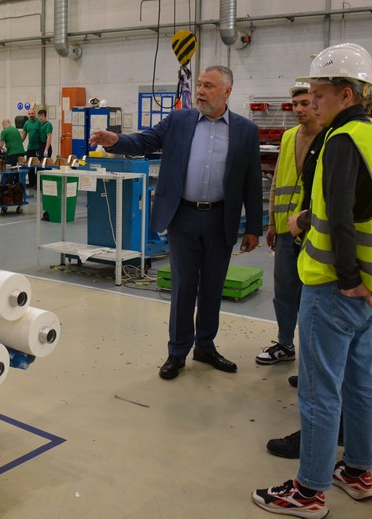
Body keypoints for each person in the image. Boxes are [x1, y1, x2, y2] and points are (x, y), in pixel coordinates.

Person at [253, 43, 372, 518]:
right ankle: (358, 471)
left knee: (319, 392)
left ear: (346, 94)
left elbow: (340, 217)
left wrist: (345, 277)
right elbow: (367, 209)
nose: (312, 103)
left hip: (336, 288)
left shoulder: (341, 140)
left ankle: (309, 491)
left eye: (319, 94)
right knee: (359, 383)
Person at [89, 65, 262, 380]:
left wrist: (252, 228)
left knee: (213, 286)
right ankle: (178, 351)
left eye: (209, 86)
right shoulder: (179, 120)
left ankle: (205, 347)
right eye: (200, 84)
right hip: (183, 216)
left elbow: (252, 181)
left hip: (221, 218)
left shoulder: (245, 130)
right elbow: (144, 141)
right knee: (183, 287)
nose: (200, 91)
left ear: (227, 92)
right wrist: (115, 140)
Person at [256, 81, 322, 366]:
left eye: (305, 103)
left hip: (315, 231)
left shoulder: (329, 136)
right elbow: (276, 185)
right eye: (295, 104)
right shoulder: (288, 137)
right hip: (285, 230)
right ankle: (285, 343)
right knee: (283, 290)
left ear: (317, 104)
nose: (298, 109)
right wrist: (272, 222)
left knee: (312, 293)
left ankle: (313, 351)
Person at [21, 108, 42, 188]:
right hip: (30, 148)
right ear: (28, 115)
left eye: (32, 113)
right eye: (29, 114)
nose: (31, 115)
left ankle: (37, 184)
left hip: (38, 148)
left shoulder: (39, 122)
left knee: (38, 166)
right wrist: (19, 143)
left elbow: (42, 133)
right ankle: (31, 183)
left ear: (35, 114)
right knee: (30, 166)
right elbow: (24, 134)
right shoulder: (27, 123)